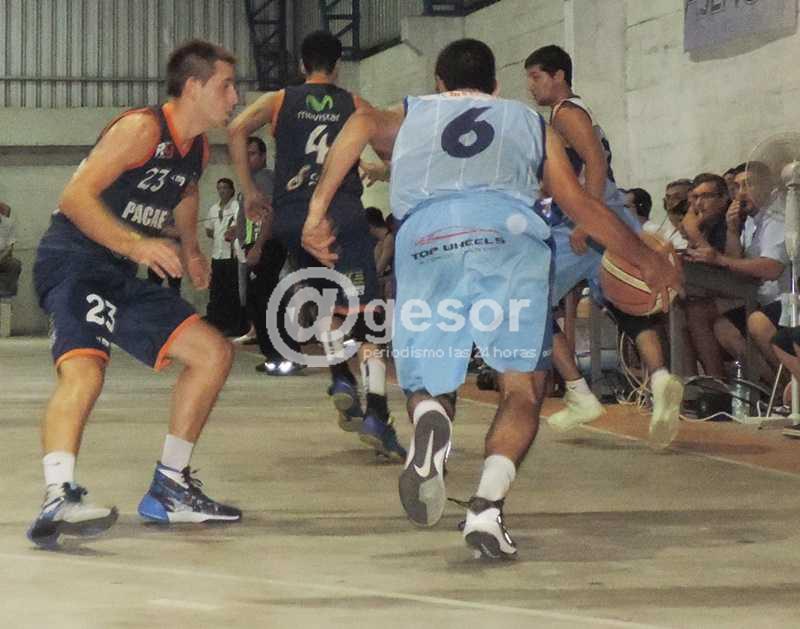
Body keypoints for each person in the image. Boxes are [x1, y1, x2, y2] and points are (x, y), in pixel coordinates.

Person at [304, 38, 681, 558]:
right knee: (522, 388)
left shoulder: (414, 112)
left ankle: (431, 419)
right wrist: (642, 256)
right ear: (497, 86)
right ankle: (486, 508)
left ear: (439, 84)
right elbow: (578, 202)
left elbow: (362, 123)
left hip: (428, 237)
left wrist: (316, 210)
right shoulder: (530, 123)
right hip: (510, 237)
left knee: (429, 379)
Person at [28, 40, 242, 548]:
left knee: (213, 353)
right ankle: (58, 495)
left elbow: (185, 191)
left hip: (119, 269)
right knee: (85, 369)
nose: (235, 97)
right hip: (73, 260)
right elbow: (74, 198)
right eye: (226, 85)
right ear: (194, 87)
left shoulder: (197, 148)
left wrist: (191, 248)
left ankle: (170, 488)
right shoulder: (142, 129)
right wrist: (137, 244)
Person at [228, 30, 404, 459]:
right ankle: (377, 411)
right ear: (338, 65)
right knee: (368, 315)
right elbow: (391, 149)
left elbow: (235, 128)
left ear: (302, 66)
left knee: (323, 298)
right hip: (340, 213)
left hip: (292, 218)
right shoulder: (354, 103)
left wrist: (249, 191)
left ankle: (340, 375)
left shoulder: (280, 100)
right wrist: (378, 169)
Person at [525, 44, 684, 448]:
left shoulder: (566, 113)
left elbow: (595, 163)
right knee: (626, 304)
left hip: (588, 222)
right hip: (609, 219)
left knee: (527, 303)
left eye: (536, 76)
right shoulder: (574, 113)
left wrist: (586, 218)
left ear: (559, 75)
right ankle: (660, 379)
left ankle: (578, 394)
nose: (530, 85)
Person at [238, 136, 304, 374]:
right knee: (258, 301)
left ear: (264, 156)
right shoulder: (251, 182)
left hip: (267, 245)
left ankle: (287, 355)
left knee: (267, 300)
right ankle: (272, 356)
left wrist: (258, 246)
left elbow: (269, 214)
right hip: (256, 245)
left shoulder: (264, 179)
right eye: (244, 154)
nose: (248, 159)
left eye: (252, 153)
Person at [205, 177, 241, 335]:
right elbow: (208, 230)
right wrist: (218, 234)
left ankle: (233, 325)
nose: (222, 191)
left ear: (231, 190)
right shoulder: (213, 208)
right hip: (217, 255)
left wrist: (231, 232)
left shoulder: (236, 206)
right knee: (217, 291)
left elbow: (239, 226)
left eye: (225, 188)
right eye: (219, 188)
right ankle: (218, 323)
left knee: (231, 291)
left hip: (231, 255)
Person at [0, 202, 22, 297]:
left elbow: (10, 247)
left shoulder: (9, 223)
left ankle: (6, 294)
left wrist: (1, 258)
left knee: (15, 264)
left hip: (2, 256)